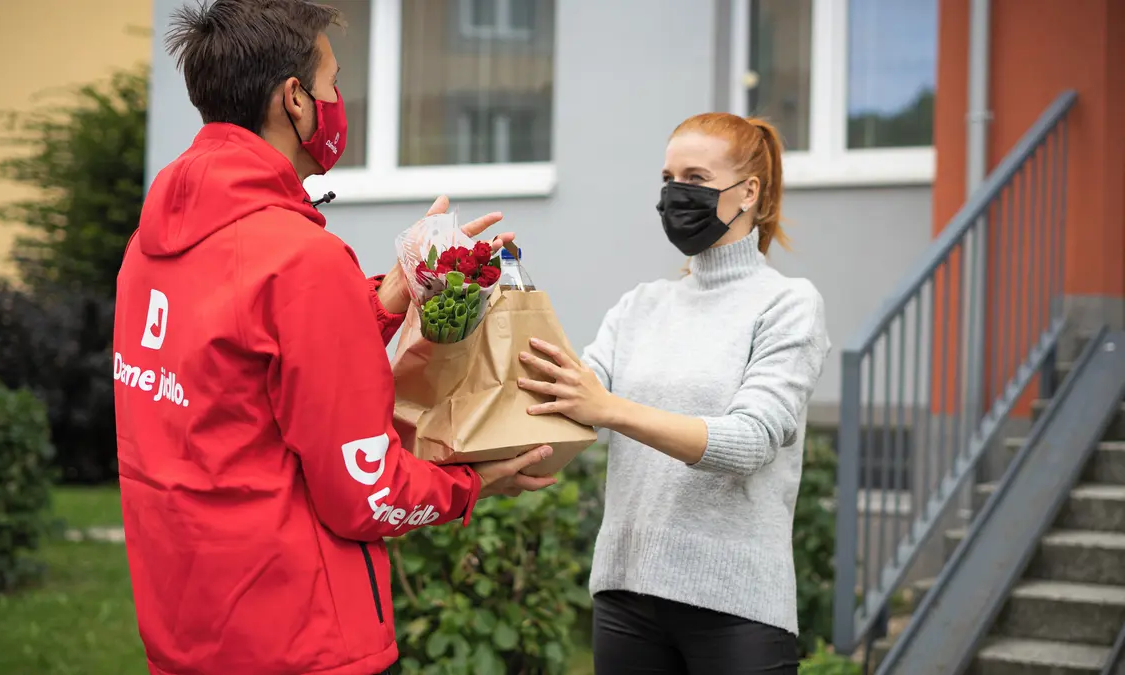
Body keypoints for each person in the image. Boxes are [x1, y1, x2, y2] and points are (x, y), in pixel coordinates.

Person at [111, 2, 555, 674]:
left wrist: (383, 299)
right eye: (333, 83)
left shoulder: (149, 245)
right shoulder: (300, 259)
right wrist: (473, 482)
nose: (338, 101)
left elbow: (243, 371)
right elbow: (364, 493)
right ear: (293, 99)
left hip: (188, 627)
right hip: (298, 637)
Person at [518, 112, 831, 674]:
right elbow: (564, 403)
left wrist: (609, 409)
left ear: (748, 192)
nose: (674, 194)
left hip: (737, 606)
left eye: (694, 177)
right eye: (668, 178)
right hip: (626, 595)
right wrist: (480, 306)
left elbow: (750, 442)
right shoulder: (640, 305)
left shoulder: (787, 304)